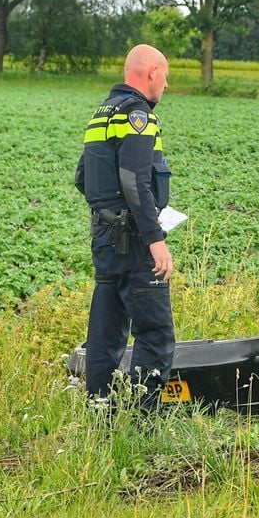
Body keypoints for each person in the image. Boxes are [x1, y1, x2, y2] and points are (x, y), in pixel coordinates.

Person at [75, 44, 175, 411]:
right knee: (155, 334)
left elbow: (83, 178)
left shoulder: (100, 114)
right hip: (134, 242)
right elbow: (135, 180)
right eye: (165, 74)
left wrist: (108, 212)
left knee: (105, 336)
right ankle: (142, 424)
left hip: (104, 238)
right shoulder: (138, 116)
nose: (166, 83)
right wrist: (155, 239)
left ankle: (101, 420)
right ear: (150, 72)